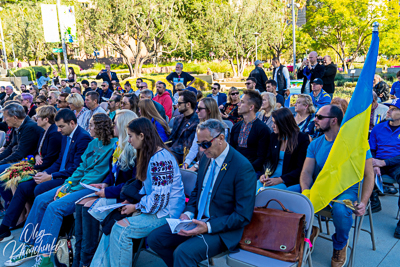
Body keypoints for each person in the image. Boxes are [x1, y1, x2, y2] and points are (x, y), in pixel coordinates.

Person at [7, 113, 117, 267]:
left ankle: (44, 258)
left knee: (54, 207)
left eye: (91, 125)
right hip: (77, 183)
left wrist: (71, 188)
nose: (88, 127)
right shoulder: (93, 143)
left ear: (100, 127)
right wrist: (67, 184)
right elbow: (80, 168)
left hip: (91, 188)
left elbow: (97, 176)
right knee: (40, 199)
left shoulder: (114, 145)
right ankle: (29, 245)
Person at [148, 119, 257, 267]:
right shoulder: (207, 157)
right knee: (155, 239)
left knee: (183, 253)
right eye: (199, 144)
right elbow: (197, 192)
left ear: (220, 138)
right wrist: (188, 213)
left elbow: (242, 216)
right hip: (197, 220)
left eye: (205, 144)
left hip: (221, 229)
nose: (201, 149)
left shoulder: (242, 167)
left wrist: (208, 227)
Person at [91, 117, 185, 267]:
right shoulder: (149, 153)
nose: (128, 140)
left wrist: (136, 207)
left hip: (166, 213)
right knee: (112, 222)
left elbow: (159, 200)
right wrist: (131, 201)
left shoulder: (161, 160)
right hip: (153, 207)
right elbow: (146, 189)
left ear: (142, 136)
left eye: (130, 136)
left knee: (121, 230)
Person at [300, 105, 374, 267]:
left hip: (347, 191)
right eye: (315, 116)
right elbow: (306, 173)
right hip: (321, 189)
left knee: (341, 210)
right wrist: (305, 192)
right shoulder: (315, 144)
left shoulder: (356, 144)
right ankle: (308, 232)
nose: (315, 120)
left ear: (334, 121)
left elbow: (369, 175)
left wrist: (363, 201)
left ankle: (340, 245)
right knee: (287, 197)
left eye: (319, 117)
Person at [73, 109, 138, 267]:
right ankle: (79, 257)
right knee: (80, 204)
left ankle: (86, 260)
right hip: (115, 191)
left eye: (115, 123)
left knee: (89, 207)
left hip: (126, 196)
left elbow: (133, 183)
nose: (111, 126)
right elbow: (113, 173)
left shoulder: (135, 151)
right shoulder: (119, 146)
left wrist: (107, 191)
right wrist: (105, 183)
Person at [0, 105, 63, 242]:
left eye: (38, 117)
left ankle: (14, 218)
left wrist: (33, 165)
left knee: (11, 174)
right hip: (37, 163)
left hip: (45, 169)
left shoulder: (53, 133)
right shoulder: (44, 131)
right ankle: (14, 217)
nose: (35, 118)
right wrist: (37, 156)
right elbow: (37, 151)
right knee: (12, 175)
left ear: (46, 119)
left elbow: (51, 159)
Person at [256, 108, 310, 193]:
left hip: (288, 180)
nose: (272, 126)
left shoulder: (302, 139)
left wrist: (281, 179)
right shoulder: (274, 136)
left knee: (264, 193)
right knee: (254, 188)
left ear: (284, 124)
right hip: (271, 177)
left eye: (275, 123)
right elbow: (268, 159)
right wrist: (263, 174)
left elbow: (301, 168)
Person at [0, 103, 44, 207]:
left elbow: (20, 153)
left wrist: (1, 162)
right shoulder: (19, 125)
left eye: (6, 117)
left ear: (15, 117)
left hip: (31, 162)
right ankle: (11, 205)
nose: (4, 120)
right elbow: (10, 147)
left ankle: (11, 206)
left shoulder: (29, 127)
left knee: (1, 171)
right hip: (23, 159)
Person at [369, 99, 400, 215]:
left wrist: (383, 163)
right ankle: (374, 202)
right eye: (389, 108)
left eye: (394, 109)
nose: (388, 111)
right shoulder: (378, 128)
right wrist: (373, 162)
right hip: (378, 161)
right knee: (362, 170)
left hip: (397, 164)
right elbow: (371, 149)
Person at [230, 90, 270, 174]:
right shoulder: (236, 127)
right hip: (234, 168)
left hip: (252, 170)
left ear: (251, 107)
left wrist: (244, 169)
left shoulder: (263, 129)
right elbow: (231, 151)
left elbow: (261, 158)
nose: (238, 104)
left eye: (242, 102)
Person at [183, 97, 227, 171]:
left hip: (215, 166)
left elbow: (214, 155)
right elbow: (194, 148)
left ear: (209, 110)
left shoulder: (222, 129)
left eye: (200, 109)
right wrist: (186, 163)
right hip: (200, 163)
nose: (196, 111)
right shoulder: (200, 126)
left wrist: (194, 167)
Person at [168, 90, 199, 164]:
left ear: (188, 104)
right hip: (172, 150)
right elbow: (171, 139)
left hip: (183, 155)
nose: (177, 105)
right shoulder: (178, 118)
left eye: (179, 103)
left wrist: (168, 151)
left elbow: (188, 147)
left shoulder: (197, 122)